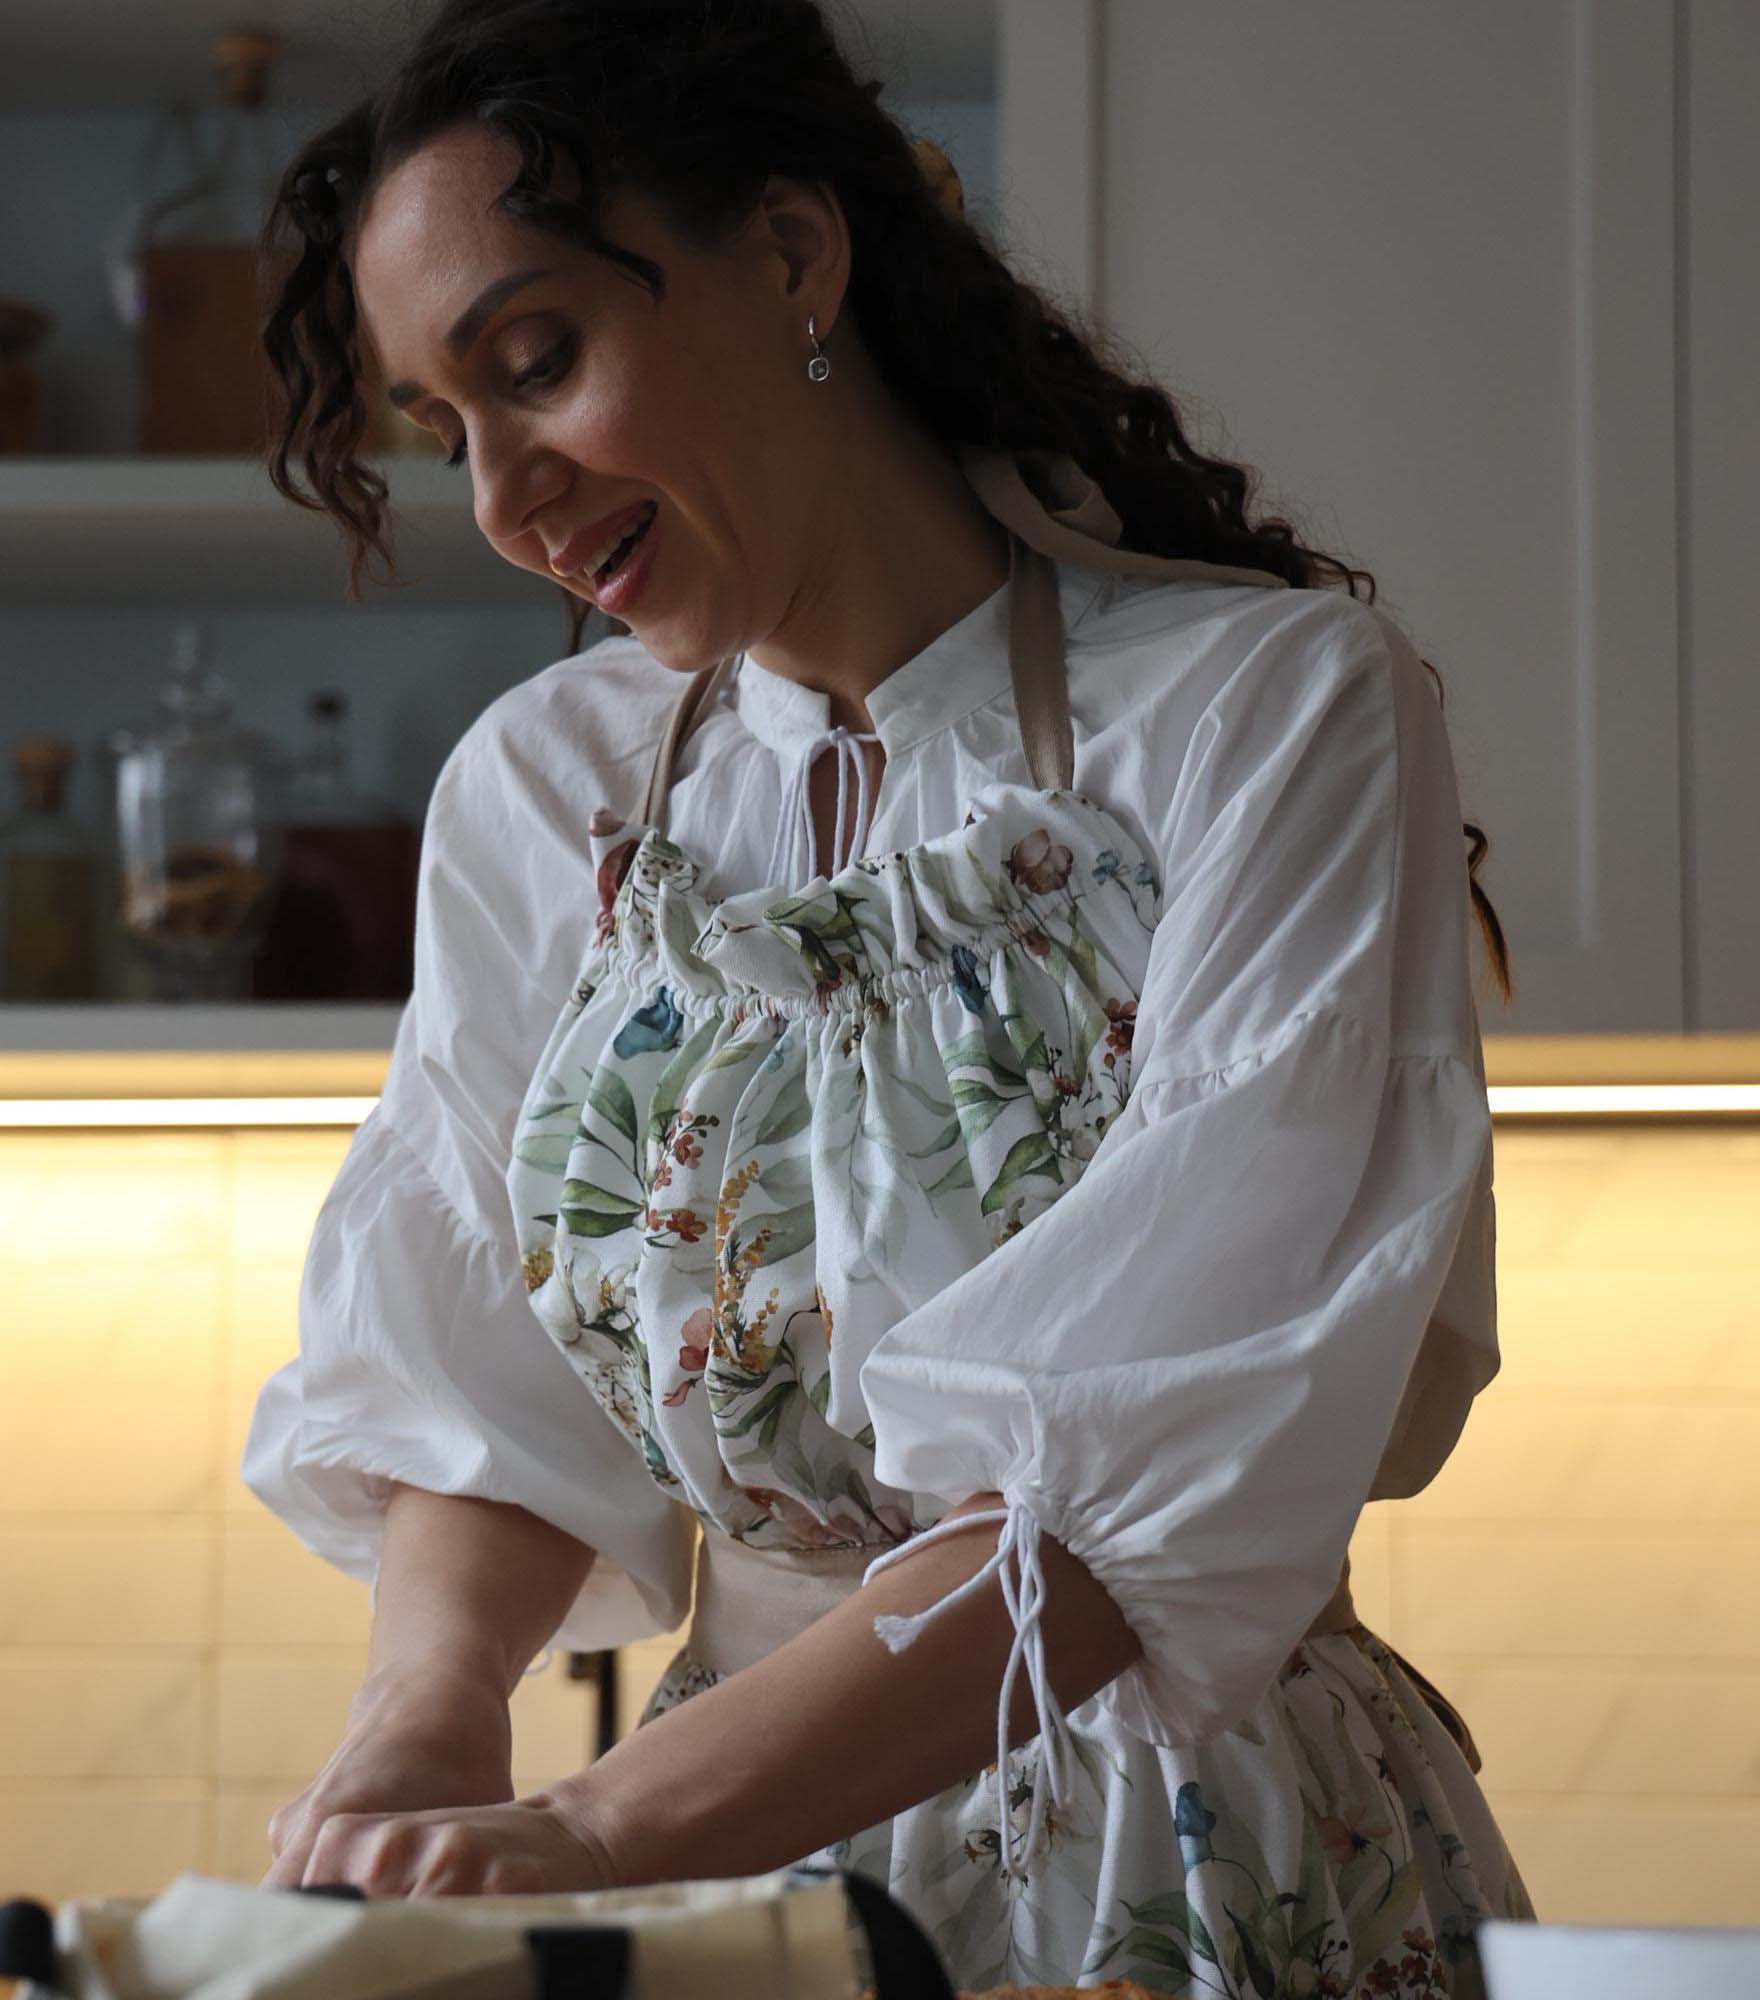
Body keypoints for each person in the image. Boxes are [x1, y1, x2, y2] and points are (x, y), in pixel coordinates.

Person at [241, 0, 1536, 1990]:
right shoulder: (542, 791)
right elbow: (473, 1364)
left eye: (538, 362)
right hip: (724, 1880)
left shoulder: (1267, 711)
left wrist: (592, 1824)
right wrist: (425, 1721)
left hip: (1190, 1854)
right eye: (444, 427)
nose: (501, 495)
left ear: (789, 255)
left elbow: (1125, 1470)